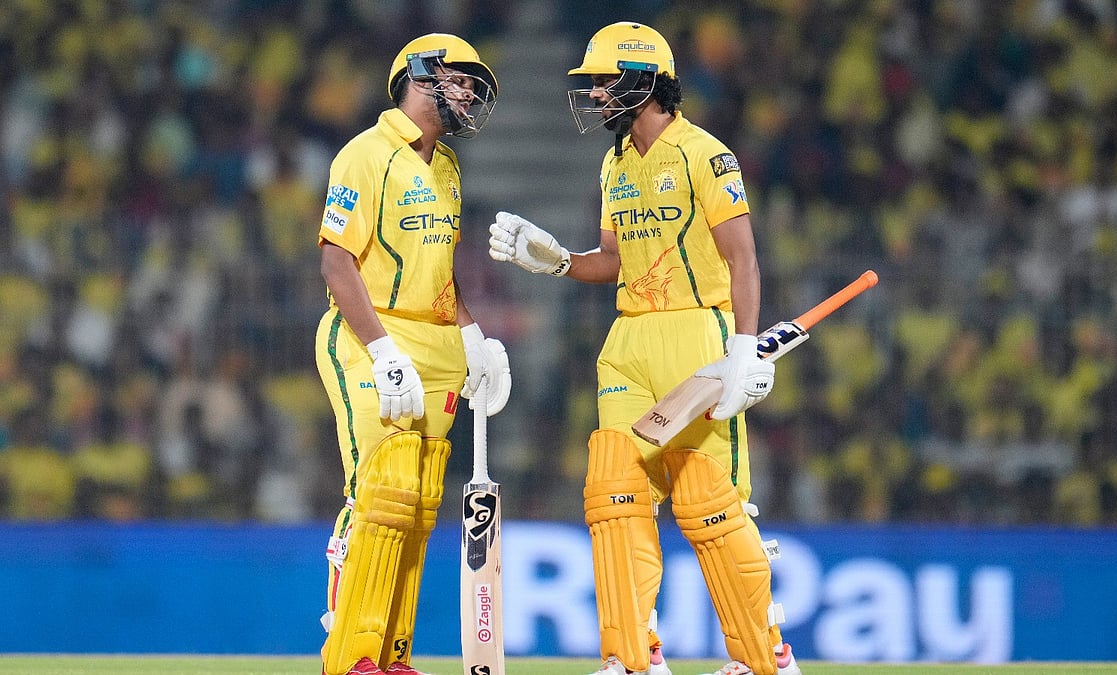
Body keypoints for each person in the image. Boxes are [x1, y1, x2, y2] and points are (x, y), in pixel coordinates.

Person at [488, 21, 802, 675]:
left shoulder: (704, 154)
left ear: (645, 81)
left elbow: (742, 256)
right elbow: (613, 260)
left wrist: (743, 346)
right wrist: (558, 264)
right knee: (613, 491)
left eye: (606, 81)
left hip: (697, 332)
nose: (597, 94)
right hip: (629, 338)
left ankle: (763, 658)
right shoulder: (614, 162)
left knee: (708, 502)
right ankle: (633, 657)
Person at [314, 33, 511, 675]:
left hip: (437, 343)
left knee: (420, 504)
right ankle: (351, 656)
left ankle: (394, 654)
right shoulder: (364, 155)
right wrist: (381, 349)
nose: (470, 92)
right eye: (460, 78)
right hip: (371, 335)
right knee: (378, 493)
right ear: (419, 76)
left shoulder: (447, 167)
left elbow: (440, 274)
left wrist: (473, 336)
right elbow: (336, 261)